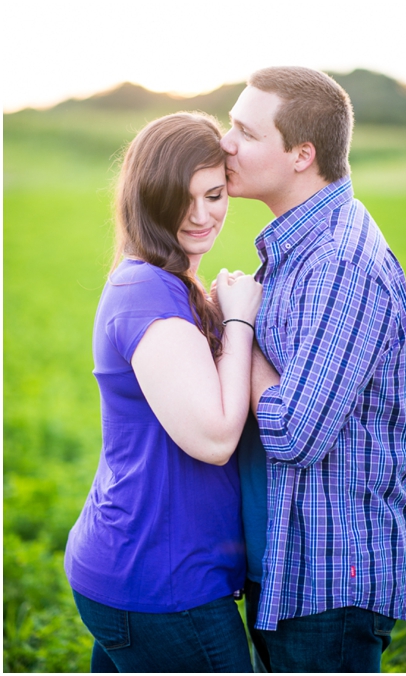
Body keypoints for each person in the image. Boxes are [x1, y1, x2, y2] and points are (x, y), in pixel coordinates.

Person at [220, 66, 406, 673]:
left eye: (246, 132)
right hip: (288, 562)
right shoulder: (297, 246)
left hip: (327, 579)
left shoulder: (339, 263)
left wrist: (239, 330)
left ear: (302, 154)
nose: (226, 142)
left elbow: (294, 433)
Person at [64, 112, 261, 672]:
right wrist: (241, 324)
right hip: (162, 585)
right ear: (148, 197)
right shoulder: (149, 291)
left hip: (141, 570)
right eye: (183, 198)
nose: (202, 216)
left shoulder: (168, 280)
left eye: (216, 194)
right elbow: (216, 437)